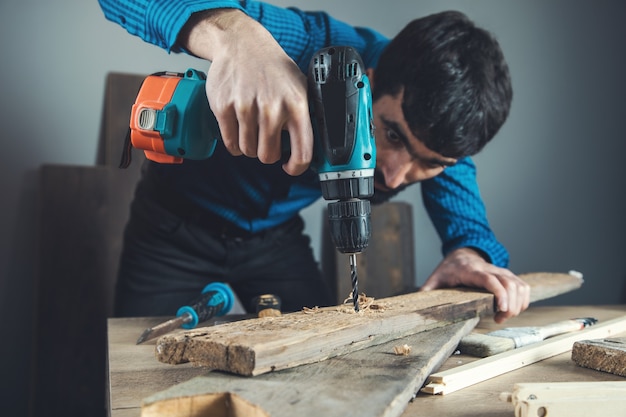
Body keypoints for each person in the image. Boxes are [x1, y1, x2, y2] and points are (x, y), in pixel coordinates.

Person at [98, 0, 530, 323]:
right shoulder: (305, 45)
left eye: (428, 161)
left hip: (274, 240)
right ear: (369, 82)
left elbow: (454, 175)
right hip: (172, 231)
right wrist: (233, 34)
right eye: (392, 134)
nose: (394, 175)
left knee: (322, 355)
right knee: (141, 365)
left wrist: (469, 250)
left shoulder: (437, 146)